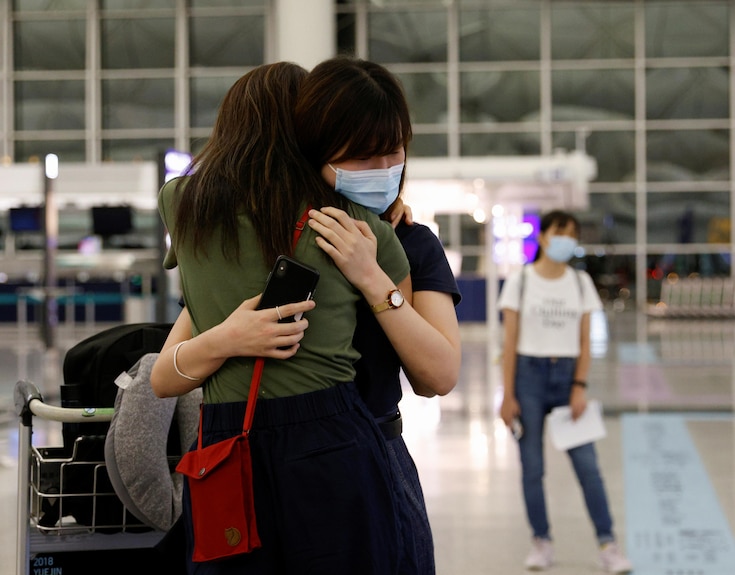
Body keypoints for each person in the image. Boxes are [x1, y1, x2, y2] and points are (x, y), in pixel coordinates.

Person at [150, 61, 411, 574]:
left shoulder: (181, 204)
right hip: (333, 432)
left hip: (224, 435)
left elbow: (167, 370)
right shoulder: (356, 227)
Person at [294, 56, 462, 575]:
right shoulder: (278, 242)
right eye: (361, 157)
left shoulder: (413, 244)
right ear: (315, 157)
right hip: (284, 465)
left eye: (392, 152)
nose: (383, 169)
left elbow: (438, 374)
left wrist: (374, 276)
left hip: (377, 461)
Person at [497, 210, 633, 573]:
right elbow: (508, 343)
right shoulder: (520, 281)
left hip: (567, 376)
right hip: (528, 376)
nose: (566, 240)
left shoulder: (580, 283)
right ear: (542, 238)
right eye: (560, 232)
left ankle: (608, 543)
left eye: (572, 234)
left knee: (588, 467)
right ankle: (541, 541)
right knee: (532, 468)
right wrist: (507, 395)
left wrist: (579, 387)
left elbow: (586, 341)